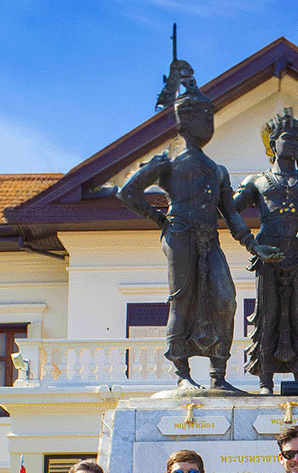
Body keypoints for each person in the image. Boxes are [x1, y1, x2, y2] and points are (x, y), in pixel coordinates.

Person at [118, 80, 277, 392]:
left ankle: (218, 373)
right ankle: (182, 372)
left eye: (211, 118)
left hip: (209, 239)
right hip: (180, 235)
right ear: (184, 121)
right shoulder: (168, 160)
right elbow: (127, 192)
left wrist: (253, 244)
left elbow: (231, 213)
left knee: (225, 299)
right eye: (204, 117)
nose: (210, 124)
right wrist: (158, 217)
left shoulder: (217, 170)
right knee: (183, 299)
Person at [232, 108, 298, 394]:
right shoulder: (257, 182)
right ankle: (265, 381)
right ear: (272, 143)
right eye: (286, 139)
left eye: (297, 140)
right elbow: (228, 210)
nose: (293, 144)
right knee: (267, 315)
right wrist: (249, 241)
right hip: (268, 256)